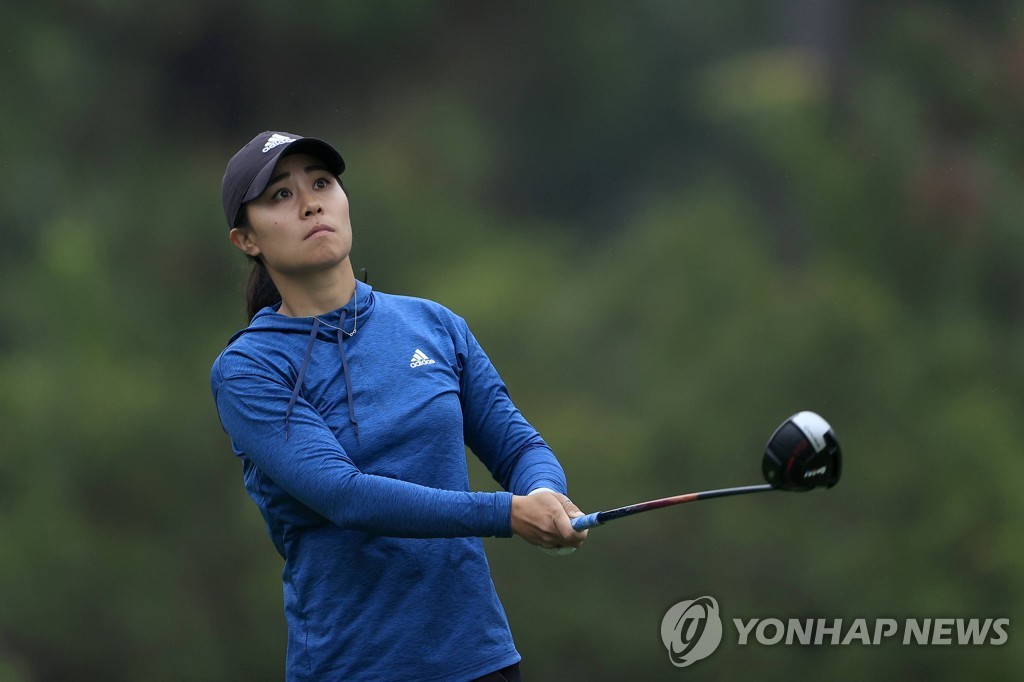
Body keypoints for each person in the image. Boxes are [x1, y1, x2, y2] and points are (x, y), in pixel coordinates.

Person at [210, 130, 587, 681]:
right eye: (281, 195)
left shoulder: (433, 325)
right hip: (356, 667)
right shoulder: (249, 369)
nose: (310, 203)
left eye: (322, 183)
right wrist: (507, 513)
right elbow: (346, 496)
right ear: (246, 239)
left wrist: (544, 491)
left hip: (480, 659)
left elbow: (517, 446)